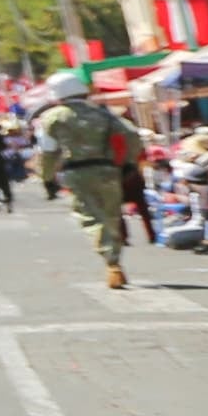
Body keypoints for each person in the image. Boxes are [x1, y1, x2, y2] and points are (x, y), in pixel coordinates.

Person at [36, 87, 142, 283]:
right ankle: (114, 258)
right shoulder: (103, 114)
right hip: (108, 171)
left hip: (77, 173)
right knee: (112, 215)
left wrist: (47, 177)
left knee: (91, 216)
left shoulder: (52, 117)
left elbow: (48, 151)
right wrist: (129, 162)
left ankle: (111, 262)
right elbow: (132, 136)